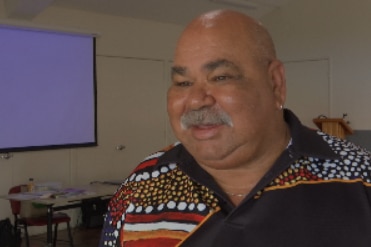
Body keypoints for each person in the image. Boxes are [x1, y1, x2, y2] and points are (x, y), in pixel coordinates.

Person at [99, 9, 371, 247]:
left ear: (275, 84)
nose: (195, 100)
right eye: (182, 83)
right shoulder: (142, 185)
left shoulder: (360, 180)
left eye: (220, 77)